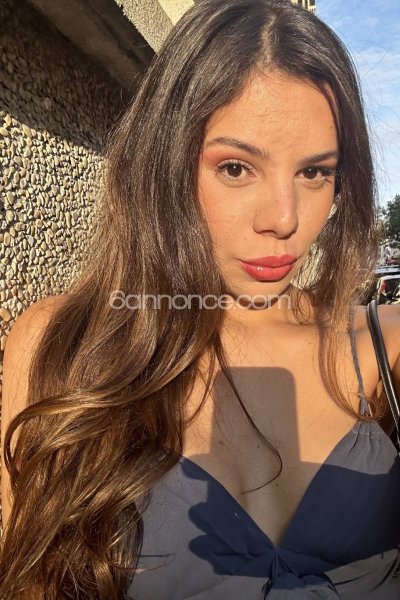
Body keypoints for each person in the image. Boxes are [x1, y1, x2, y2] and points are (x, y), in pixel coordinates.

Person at [1, 0, 400, 598]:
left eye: (315, 173)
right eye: (236, 168)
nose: (284, 219)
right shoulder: (64, 346)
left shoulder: (384, 348)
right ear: (163, 163)